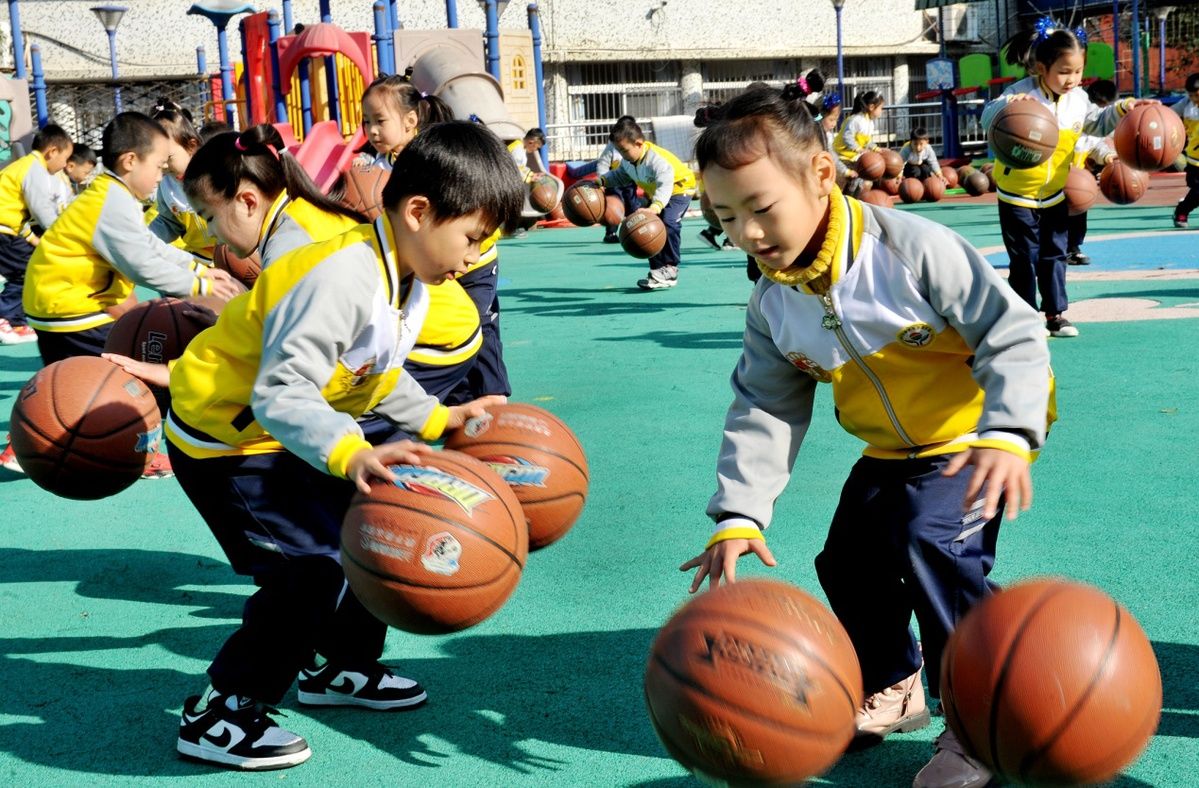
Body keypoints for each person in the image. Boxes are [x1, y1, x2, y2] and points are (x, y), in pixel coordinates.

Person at [680, 85, 1054, 788]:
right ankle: (896, 681)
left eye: (761, 209)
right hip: (888, 449)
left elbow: (1011, 332)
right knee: (845, 563)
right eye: (725, 216)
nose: (748, 234)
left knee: (935, 547)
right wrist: (737, 513)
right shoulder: (773, 297)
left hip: (970, 435)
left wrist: (1007, 432)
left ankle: (978, 721)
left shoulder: (909, 251)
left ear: (821, 175)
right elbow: (764, 404)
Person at [155, 122, 523, 770]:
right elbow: (282, 391)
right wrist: (351, 452)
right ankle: (219, 711)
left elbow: (373, 369)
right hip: (226, 441)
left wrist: (440, 420)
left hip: (281, 434)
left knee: (366, 527)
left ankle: (338, 668)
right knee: (308, 570)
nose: (472, 259)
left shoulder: (403, 277)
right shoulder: (342, 275)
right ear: (418, 212)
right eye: (470, 238)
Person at [982, 22, 1136, 338]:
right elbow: (986, 118)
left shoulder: (1079, 99)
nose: (1072, 79)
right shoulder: (1021, 95)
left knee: (1054, 254)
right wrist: (1004, 106)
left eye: (1078, 72)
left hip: (1054, 194)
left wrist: (1121, 109)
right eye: (1065, 71)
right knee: (1024, 260)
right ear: (1042, 67)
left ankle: (1056, 314)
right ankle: (1023, 318)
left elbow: (1094, 125)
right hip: (1017, 195)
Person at [595, 120, 696, 289]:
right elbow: (619, 176)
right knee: (647, 227)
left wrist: (655, 207)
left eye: (624, 150)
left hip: (680, 188)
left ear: (639, 143)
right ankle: (657, 271)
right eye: (619, 151)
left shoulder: (656, 160)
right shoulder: (628, 161)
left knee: (668, 223)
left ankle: (670, 269)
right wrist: (602, 181)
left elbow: (665, 184)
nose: (622, 154)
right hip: (658, 195)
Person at [0, 124, 72, 346]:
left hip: (8, 230)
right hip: (3, 231)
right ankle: (4, 317)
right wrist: (62, 235)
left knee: (24, 269)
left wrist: (33, 239)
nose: (64, 166)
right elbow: (42, 211)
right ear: (52, 152)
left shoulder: (24, 166)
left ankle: (16, 321)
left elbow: (17, 214)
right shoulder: (35, 170)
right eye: (65, 158)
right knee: (26, 271)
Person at [149, 106, 220, 264]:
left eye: (169, 157)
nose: (165, 165)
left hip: (230, 251)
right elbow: (169, 222)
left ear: (191, 146)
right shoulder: (166, 184)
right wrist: (145, 239)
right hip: (199, 255)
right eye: (159, 159)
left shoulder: (214, 172)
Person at [1066, 79, 1119, 265]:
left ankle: (1073, 249)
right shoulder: (1072, 122)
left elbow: (1097, 146)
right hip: (1056, 181)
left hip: (1078, 182)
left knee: (1079, 216)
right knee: (1051, 220)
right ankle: (1049, 250)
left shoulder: (1094, 131)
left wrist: (1107, 156)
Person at [357, 72, 454, 170]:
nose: (372, 130)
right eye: (367, 121)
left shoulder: (429, 159)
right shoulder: (376, 161)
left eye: (380, 121)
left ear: (410, 121)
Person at [595, 115, 639, 244]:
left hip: (630, 182)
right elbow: (603, 164)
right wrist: (602, 181)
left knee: (632, 207)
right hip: (614, 182)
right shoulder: (612, 147)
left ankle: (635, 231)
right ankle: (611, 233)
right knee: (614, 207)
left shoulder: (636, 146)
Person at [833, 90, 885, 195]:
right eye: (881, 108)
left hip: (853, 158)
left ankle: (852, 200)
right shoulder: (857, 120)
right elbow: (847, 137)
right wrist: (858, 149)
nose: (882, 111)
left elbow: (867, 141)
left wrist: (876, 149)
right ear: (871, 107)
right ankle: (846, 200)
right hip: (842, 157)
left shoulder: (869, 123)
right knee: (848, 182)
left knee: (859, 181)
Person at [1171, 72, 1199, 229]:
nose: (1195, 99)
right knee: (1198, 192)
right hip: (1195, 160)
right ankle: (1182, 210)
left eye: (1197, 95)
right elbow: (1169, 115)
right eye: (1192, 95)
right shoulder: (1186, 105)